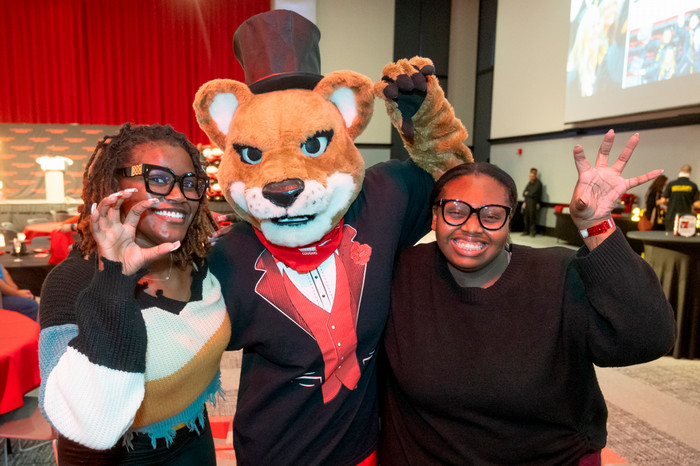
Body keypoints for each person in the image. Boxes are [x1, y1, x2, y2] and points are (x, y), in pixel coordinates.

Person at [380, 130, 676, 465]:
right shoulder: (402, 274)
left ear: (510, 221)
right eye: (456, 210)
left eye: (491, 215)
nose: (472, 227)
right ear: (434, 217)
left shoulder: (556, 274)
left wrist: (597, 224)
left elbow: (648, 338)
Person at [38, 123, 228, 464]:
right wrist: (115, 277)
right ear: (115, 186)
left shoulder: (197, 261)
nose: (179, 195)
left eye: (189, 183)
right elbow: (85, 421)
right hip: (114, 455)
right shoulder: (73, 281)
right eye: (157, 178)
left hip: (193, 435)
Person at [659, 164, 700, 231]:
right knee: (684, 237)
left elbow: (663, 200)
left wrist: (669, 206)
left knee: (670, 238)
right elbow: (696, 204)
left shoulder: (671, 184)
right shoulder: (692, 185)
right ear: (690, 172)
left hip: (671, 216)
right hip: (686, 218)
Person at [521, 167, 543, 236]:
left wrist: (528, 193)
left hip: (533, 202)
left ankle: (532, 231)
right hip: (527, 202)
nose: (530, 177)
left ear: (535, 175)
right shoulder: (529, 183)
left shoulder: (538, 183)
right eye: (530, 176)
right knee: (526, 217)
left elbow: (533, 193)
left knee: (532, 217)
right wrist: (525, 201)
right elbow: (524, 193)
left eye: (532, 176)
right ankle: (526, 231)